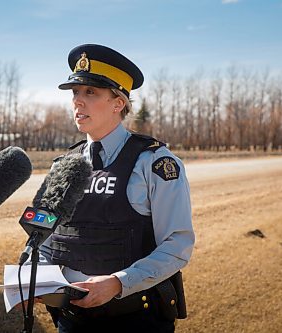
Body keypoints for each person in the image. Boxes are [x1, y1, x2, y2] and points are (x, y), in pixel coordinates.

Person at [39, 44, 195, 333]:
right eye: (75, 92)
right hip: (70, 319)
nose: (77, 102)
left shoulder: (154, 163)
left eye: (91, 93)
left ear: (118, 103)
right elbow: (44, 238)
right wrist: (32, 279)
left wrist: (118, 283)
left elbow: (177, 245)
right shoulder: (62, 166)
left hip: (135, 319)